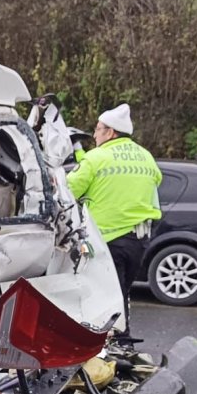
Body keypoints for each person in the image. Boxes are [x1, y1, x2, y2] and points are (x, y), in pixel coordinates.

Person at [67, 103, 161, 341]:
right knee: (122, 292)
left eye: (98, 130)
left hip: (106, 241)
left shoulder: (96, 158)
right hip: (139, 240)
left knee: (106, 298)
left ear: (110, 132)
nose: (95, 134)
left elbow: (69, 191)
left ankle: (113, 345)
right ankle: (122, 341)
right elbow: (154, 185)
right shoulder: (146, 157)